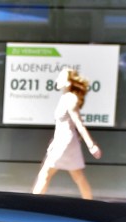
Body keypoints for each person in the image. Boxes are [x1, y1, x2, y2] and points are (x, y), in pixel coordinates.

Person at [32, 68, 102, 199]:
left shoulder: (69, 99)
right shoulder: (65, 97)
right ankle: (90, 204)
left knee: (45, 174)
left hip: (65, 142)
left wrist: (91, 145)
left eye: (61, 77)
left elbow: (78, 123)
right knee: (78, 177)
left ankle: (31, 206)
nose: (57, 80)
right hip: (64, 141)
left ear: (68, 83)